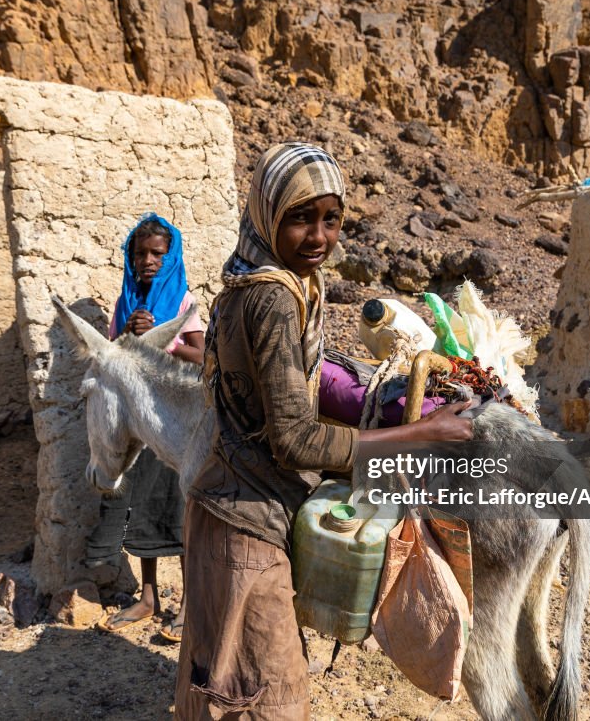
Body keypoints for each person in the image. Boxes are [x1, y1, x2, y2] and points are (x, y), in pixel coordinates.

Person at [174, 143, 474, 720]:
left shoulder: (255, 279)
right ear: (267, 214)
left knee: (221, 673)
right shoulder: (273, 297)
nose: (318, 237)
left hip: (228, 505)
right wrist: (420, 432)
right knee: (267, 695)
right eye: (299, 218)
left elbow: (253, 385)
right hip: (245, 522)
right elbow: (295, 440)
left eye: (331, 219)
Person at [88, 213, 204, 642]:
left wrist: (162, 336)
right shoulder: (126, 301)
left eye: (158, 253)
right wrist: (127, 339)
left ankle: (190, 604)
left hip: (172, 423)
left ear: (171, 256)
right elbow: (115, 357)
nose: (148, 260)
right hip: (138, 426)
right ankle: (148, 596)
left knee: (179, 514)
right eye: (140, 253)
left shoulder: (180, 301)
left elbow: (203, 355)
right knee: (141, 512)